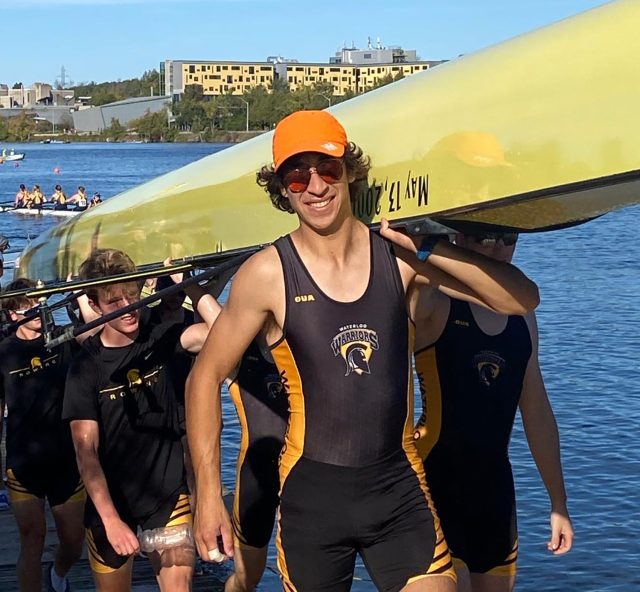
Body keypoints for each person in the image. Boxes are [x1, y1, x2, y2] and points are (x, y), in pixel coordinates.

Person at [186, 110, 539, 591]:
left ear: (349, 171)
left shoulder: (400, 257)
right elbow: (204, 378)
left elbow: (520, 299)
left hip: (398, 492)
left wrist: (429, 247)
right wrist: (209, 494)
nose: (315, 187)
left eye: (327, 169)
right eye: (297, 176)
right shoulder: (267, 274)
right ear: (283, 190)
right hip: (313, 502)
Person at [413, 232, 574, 592]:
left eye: (507, 238)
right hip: (434, 484)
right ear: (458, 237)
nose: (497, 249)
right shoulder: (433, 301)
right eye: (483, 238)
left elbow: (536, 411)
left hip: (494, 493)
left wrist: (558, 502)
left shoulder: (523, 314)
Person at [62, 249, 220, 592]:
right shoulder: (85, 368)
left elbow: (222, 332)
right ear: (95, 306)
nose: (128, 307)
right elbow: (86, 453)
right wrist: (111, 521)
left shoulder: (158, 336)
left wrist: (187, 282)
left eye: (132, 295)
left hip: (167, 494)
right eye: (114, 301)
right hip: (111, 501)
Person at [0, 278, 99, 592]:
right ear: (13, 314)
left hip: (65, 459)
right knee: (32, 538)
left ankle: (57, 576)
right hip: (23, 462)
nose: (37, 311)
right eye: (28, 306)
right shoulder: (4, 352)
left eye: (38, 303)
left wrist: (78, 293)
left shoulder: (61, 339)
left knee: (73, 540)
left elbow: (96, 336)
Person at [225, 337, 288, 592]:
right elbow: (195, 334)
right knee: (247, 579)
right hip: (256, 479)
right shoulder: (239, 349)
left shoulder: (303, 342)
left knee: (305, 576)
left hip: (302, 476)